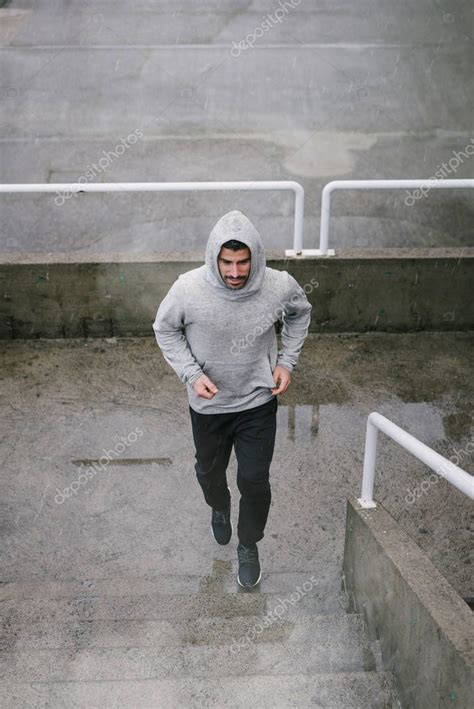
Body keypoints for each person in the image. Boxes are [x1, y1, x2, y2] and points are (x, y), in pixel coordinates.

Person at [152, 210, 312, 588]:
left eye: (243, 262)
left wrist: (286, 362)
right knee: (209, 474)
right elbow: (165, 329)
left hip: (257, 401)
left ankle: (249, 543)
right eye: (227, 262)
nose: (236, 272)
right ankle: (219, 507)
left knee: (255, 481)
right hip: (209, 407)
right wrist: (192, 374)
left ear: (255, 257)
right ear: (214, 258)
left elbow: (300, 313)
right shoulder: (187, 289)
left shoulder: (279, 285)